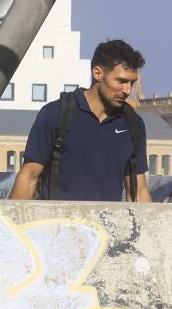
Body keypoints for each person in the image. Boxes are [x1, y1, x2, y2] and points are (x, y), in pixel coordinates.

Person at [11, 39, 151, 202]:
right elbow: (29, 177)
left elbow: (138, 191)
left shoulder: (133, 124)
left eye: (132, 83)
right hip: (54, 225)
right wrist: (11, 225)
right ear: (98, 74)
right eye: (121, 81)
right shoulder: (57, 114)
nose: (128, 90)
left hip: (105, 226)